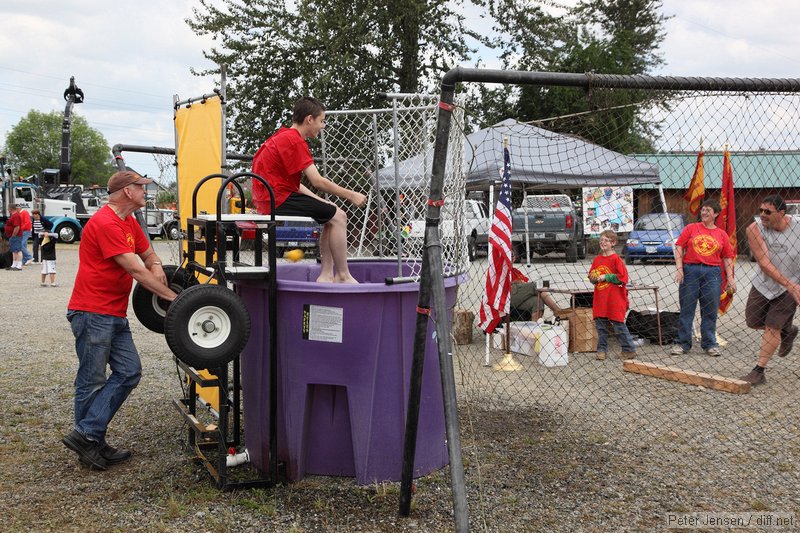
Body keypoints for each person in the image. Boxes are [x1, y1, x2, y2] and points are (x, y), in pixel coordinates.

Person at [62, 170, 178, 470]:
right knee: (92, 381)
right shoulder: (105, 223)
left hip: (112, 312)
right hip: (91, 311)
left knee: (129, 372)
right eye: (142, 188)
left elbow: (147, 254)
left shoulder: (128, 222)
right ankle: (91, 444)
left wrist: (156, 264)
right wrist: (174, 299)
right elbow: (135, 269)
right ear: (128, 191)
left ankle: (87, 436)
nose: (146, 193)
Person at [251, 96, 367, 283]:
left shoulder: (283, 136)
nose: (323, 127)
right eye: (321, 121)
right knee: (340, 217)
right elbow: (317, 181)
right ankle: (343, 275)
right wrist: (351, 195)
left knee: (330, 215)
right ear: (309, 119)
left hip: (272, 196)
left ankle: (327, 275)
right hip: (277, 199)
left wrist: (321, 201)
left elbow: (294, 184)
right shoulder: (295, 141)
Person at [739, 195, 800, 386]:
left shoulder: (798, 227)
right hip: (764, 284)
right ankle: (788, 330)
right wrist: (789, 285)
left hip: (792, 284)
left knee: (772, 326)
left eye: (768, 212)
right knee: (753, 321)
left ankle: (759, 371)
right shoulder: (754, 228)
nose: (762, 215)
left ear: (782, 213)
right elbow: (764, 263)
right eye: (761, 211)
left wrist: (793, 285)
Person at [671, 200, 736, 356]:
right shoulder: (691, 228)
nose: (704, 213)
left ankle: (709, 344)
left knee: (710, 310)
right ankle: (682, 344)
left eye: (708, 210)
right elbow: (679, 246)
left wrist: (730, 279)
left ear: (715, 214)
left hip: (712, 272)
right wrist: (679, 269)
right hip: (690, 270)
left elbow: (727, 257)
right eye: (703, 210)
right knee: (687, 309)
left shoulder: (721, 234)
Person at [588, 230, 637, 360]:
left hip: (614, 298)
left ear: (613, 243)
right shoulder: (597, 259)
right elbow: (591, 276)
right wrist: (593, 278)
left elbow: (623, 278)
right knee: (601, 326)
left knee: (618, 324)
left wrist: (607, 276)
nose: (602, 242)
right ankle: (601, 350)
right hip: (601, 298)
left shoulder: (617, 259)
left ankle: (628, 349)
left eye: (606, 240)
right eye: (601, 240)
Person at [4, 204, 24, 270]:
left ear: (11, 209)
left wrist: (13, 235)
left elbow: (17, 226)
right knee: (13, 250)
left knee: (18, 250)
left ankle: (19, 265)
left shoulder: (16, 216)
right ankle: (14, 264)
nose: (7, 210)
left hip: (16, 236)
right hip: (12, 236)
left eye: (8, 208)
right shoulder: (13, 216)